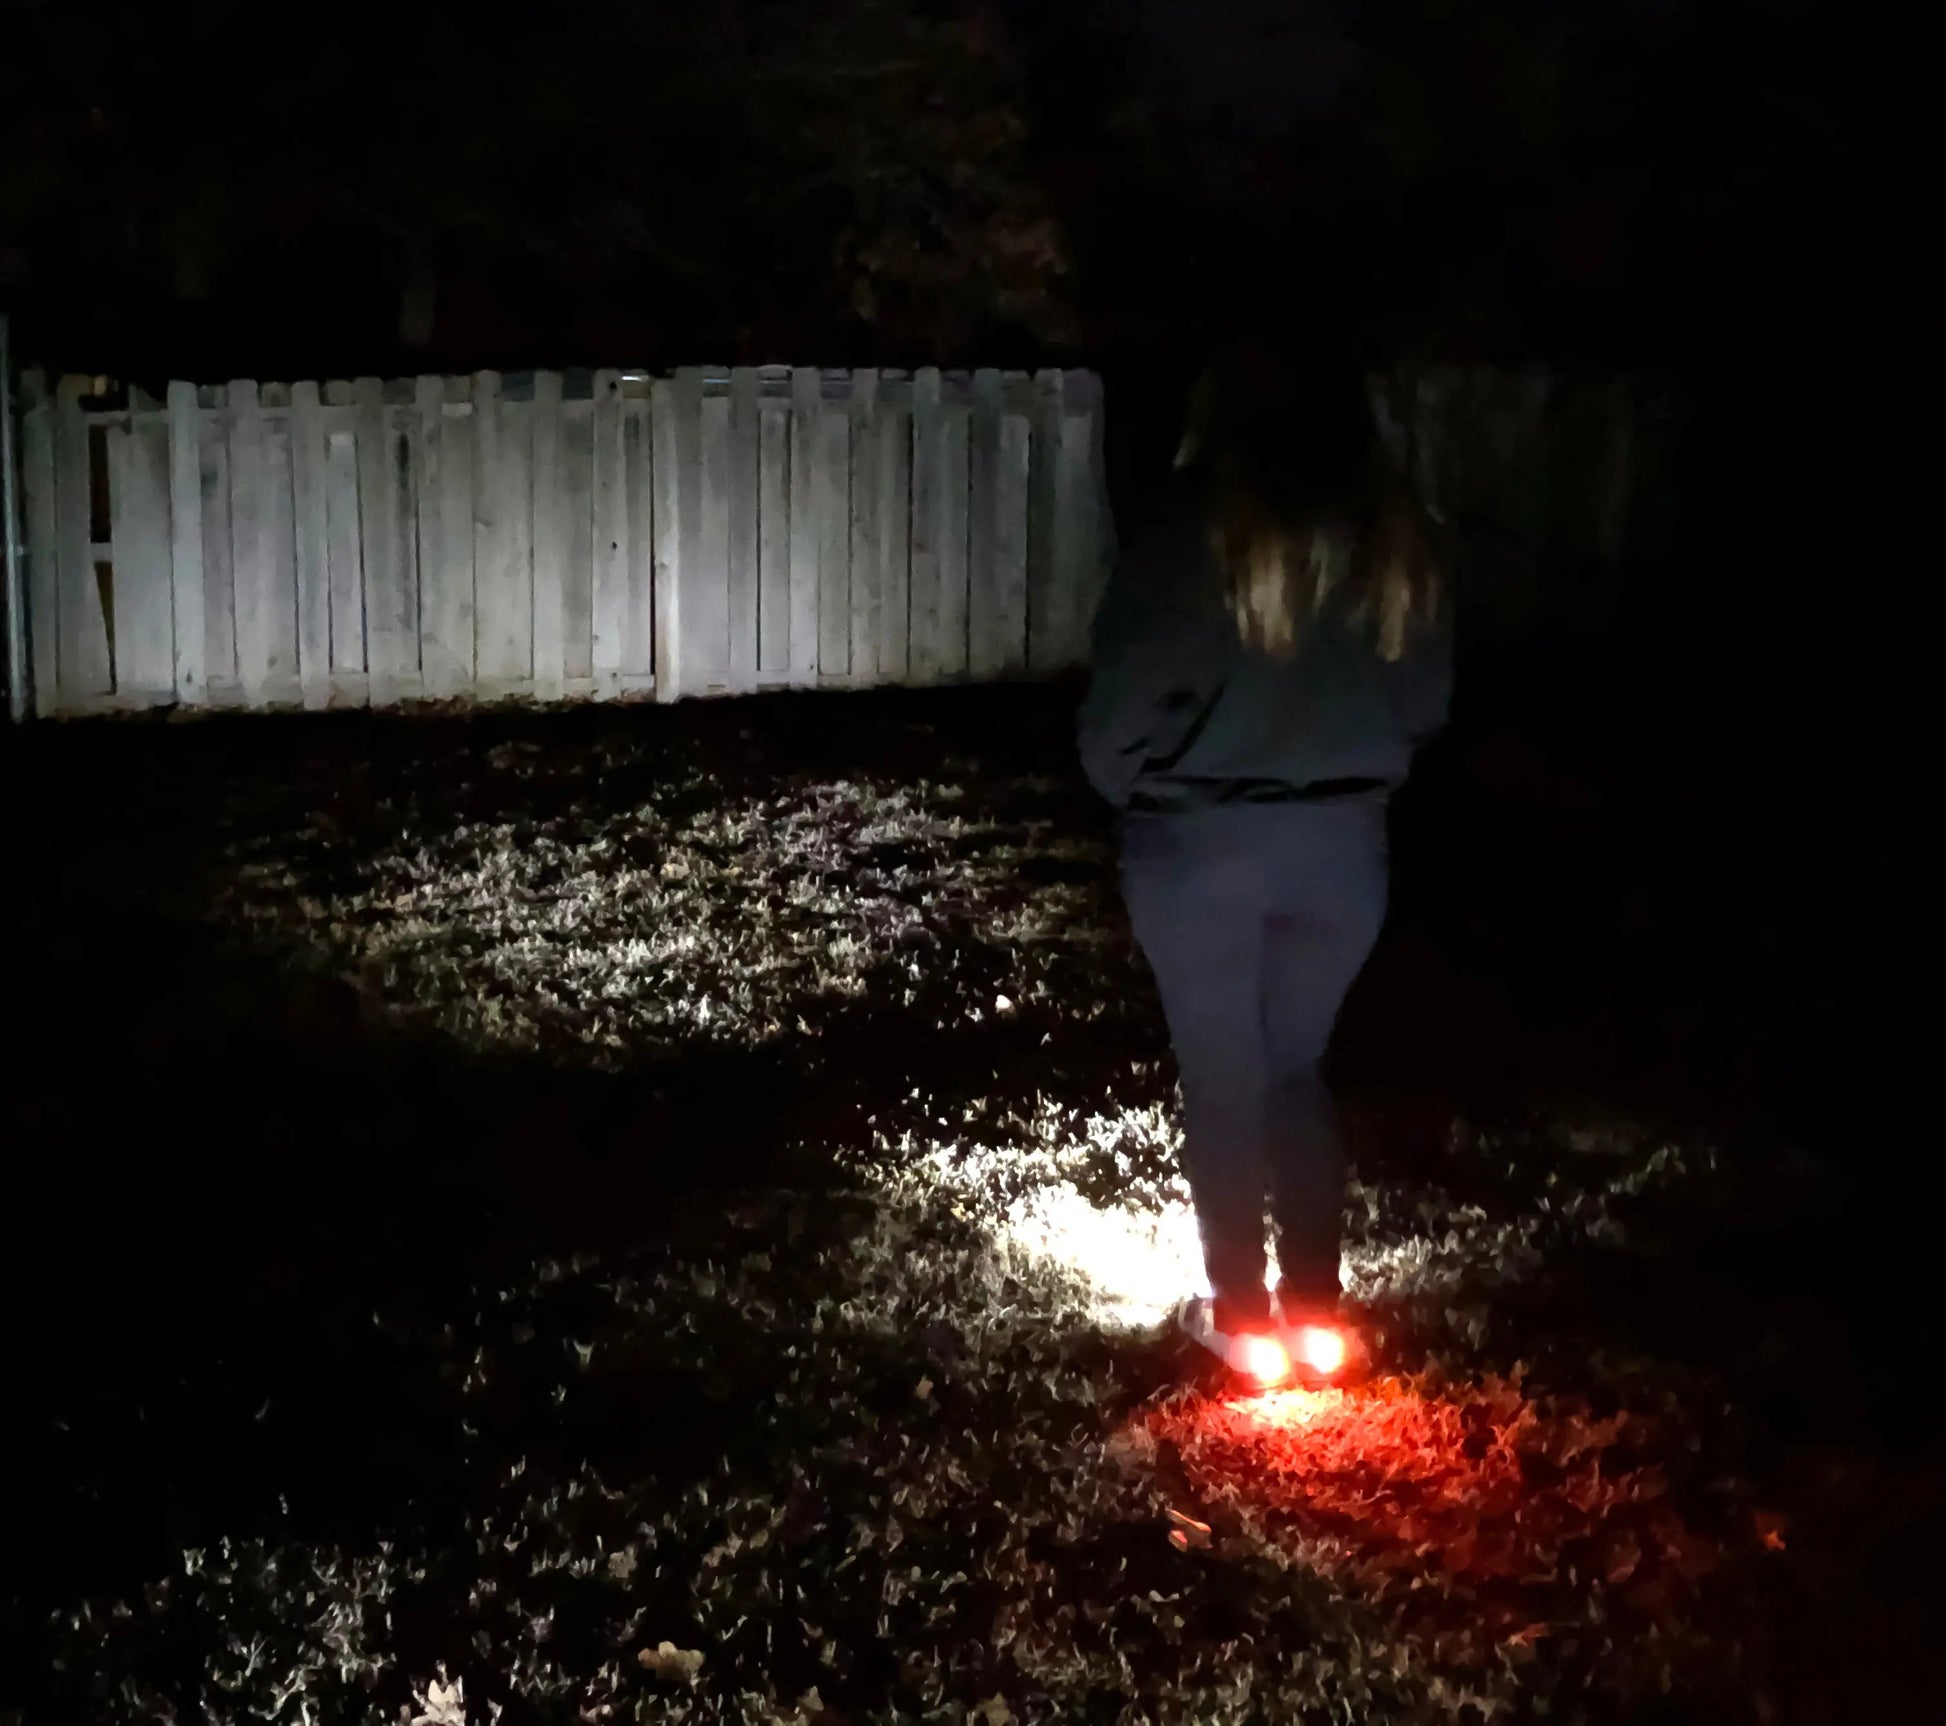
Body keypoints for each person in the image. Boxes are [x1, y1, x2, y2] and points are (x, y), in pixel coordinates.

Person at [1077, 342, 1452, 1384]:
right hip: (1341, 854)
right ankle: (1317, 1319)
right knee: (1296, 1069)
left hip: (1198, 847)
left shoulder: (1188, 528)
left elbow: (1118, 711)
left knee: (1222, 1074)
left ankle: (1242, 1319)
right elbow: (1424, 704)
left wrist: (1144, 788)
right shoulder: (1395, 538)